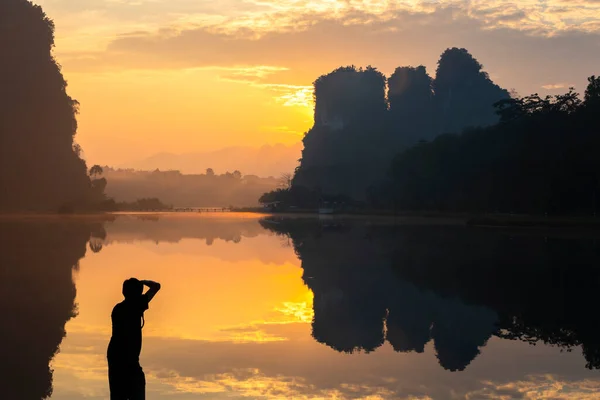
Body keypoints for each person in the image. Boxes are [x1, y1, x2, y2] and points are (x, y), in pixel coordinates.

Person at [107, 278, 161, 400]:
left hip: (115, 355)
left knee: (117, 393)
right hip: (127, 358)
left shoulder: (118, 308)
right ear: (137, 293)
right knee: (137, 386)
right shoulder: (137, 305)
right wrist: (143, 282)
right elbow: (156, 287)